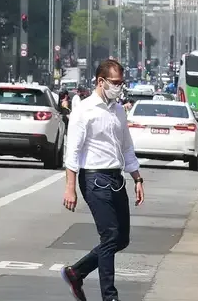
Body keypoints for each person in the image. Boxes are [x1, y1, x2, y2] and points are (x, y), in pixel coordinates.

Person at [60, 58, 144, 301]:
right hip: (94, 179)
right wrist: (70, 188)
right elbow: (72, 152)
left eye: (122, 82)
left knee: (122, 239)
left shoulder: (118, 110)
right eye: (115, 83)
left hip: (116, 178)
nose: (119, 87)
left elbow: (127, 147)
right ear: (101, 81)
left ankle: (76, 273)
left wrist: (137, 178)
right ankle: (110, 296)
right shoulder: (84, 110)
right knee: (109, 237)